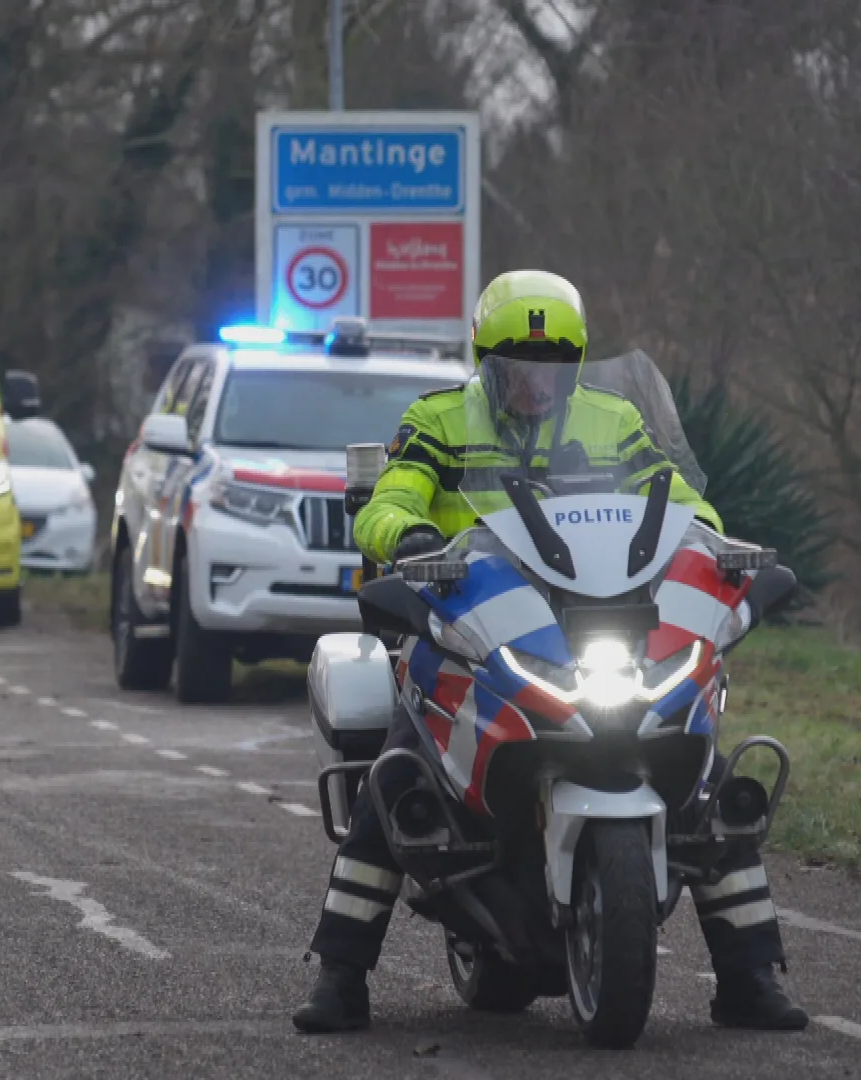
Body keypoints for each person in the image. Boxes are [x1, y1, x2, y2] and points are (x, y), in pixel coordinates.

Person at [293, 270, 809, 1035]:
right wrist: (408, 536)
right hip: (465, 629)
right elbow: (391, 495)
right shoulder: (440, 420)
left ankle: (748, 978)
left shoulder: (614, 421)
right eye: (517, 366)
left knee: (711, 785)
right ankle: (340, 978)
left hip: (592, 622)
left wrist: (719, 545)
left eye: (552, 367)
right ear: (486, 360)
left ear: (574, 366)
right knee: (395, 782)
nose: (535, 382)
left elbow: (676, 498)